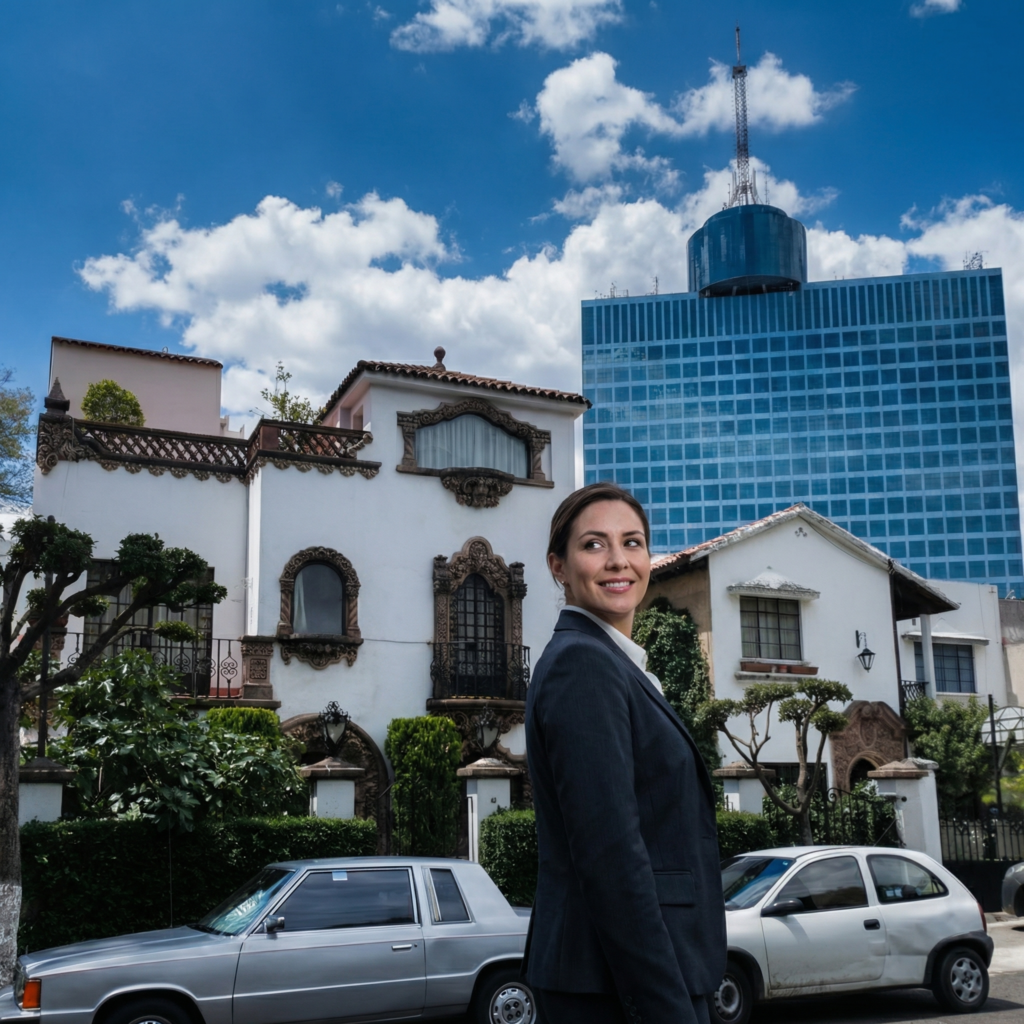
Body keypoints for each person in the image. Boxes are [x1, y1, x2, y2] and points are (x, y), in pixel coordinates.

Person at [523, 481, 726, 1024]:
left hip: (642, 976)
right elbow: (611, 857)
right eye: (593, 545)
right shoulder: (581, 665)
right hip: (619, 987)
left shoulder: (617, 665)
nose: (618, 561)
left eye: (632, 542)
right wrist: (667, 1010)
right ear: (558, 567)